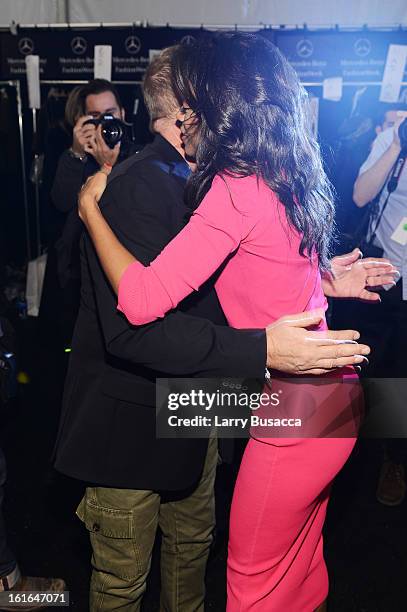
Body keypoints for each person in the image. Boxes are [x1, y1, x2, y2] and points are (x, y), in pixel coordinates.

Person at [53, 43, 384, 612]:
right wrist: (322, 281)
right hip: (337, 401)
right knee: (300, 574)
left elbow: (139, 301)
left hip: (292, 411)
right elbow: (269, 260)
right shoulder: (280, 166)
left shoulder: (230, 188)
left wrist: (90, 211)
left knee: (252, 584)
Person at [48, 80, 138, 347]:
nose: (104, 123)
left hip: (121, 278)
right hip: (77, 279)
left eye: (110, 114)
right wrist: (76, 153)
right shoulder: (77, 155)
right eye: (95, 117)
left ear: (122, 113)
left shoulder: (139, 154)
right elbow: (60, 204)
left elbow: (127, 216)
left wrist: (106, 165)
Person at [353, 107, 407, 506]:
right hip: (387, 276)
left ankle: (395, 458)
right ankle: (381, 457)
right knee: (378, 372)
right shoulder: (390, 139)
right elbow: (360, 195)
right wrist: (397, 143)